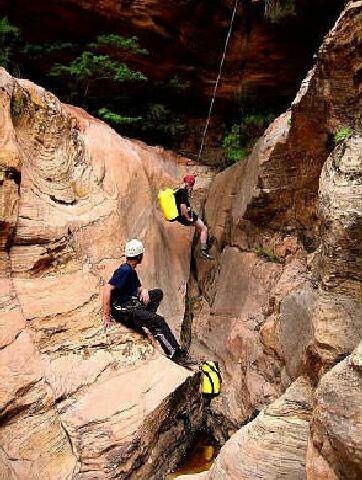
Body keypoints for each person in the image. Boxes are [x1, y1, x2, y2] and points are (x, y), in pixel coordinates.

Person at [103, 238, 198, 369]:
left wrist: (144, 291)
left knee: (157, 294)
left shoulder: (131, 270)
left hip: (131, 304)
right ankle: (175, 353)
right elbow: (107, 289)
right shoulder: (124, 271)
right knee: (158, 320)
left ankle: (148, 320)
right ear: (138, 256)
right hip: (124, 311)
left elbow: (138, 286)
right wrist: (107, 316)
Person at [172, 174, 213, 260]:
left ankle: (204, 242)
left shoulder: (179, 191)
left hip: (179, 217)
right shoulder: (184, 192)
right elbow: (182, 207)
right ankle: (203, 251)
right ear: (192, 184)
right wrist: (188, 217)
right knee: (204, 228)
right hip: (185, 217)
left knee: (199, 228)